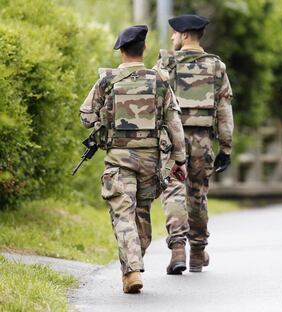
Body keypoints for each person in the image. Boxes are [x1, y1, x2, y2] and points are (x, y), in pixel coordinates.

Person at [79, 25, 186, 293]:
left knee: (122, 213)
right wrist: (179, 159)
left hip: (118, 160)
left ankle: (132, 270)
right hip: (151, 162)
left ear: (121, 50)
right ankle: (133, 268)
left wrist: (105, 116)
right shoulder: (160, 81)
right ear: (144, 49)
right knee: (141, 214)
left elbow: (85, 117)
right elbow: (174, 124)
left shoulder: (107, 81)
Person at [157, 14, 234, 273]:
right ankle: (198, 254)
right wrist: (226, 148)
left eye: (175, 33)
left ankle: (178, 249)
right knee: (197, 194)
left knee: (173, 190)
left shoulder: (166, 63)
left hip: (172, 139)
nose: (172, 37)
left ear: (185, 35)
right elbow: (224, 110)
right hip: (202, 140)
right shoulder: (216, 66)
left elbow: (154, 104)